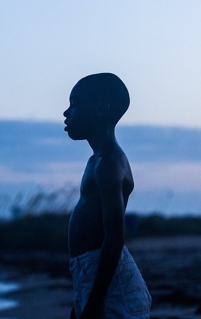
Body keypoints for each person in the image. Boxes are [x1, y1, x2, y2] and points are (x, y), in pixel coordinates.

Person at [64, 73, 151, 319]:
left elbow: (113, 239)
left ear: (101, 109)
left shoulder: (110, 164)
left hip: (112, 286)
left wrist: (95, 300)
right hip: (95, 277)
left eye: (75, 103)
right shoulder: (97, 162)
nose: (66, 113)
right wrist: (82, 298)